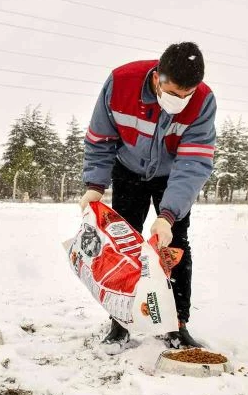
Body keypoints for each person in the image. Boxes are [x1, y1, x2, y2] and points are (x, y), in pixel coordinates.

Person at [79, 42, 216, 353]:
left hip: (171, 175)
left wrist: (167, 216)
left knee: (175, 244)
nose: (181, 100)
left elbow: (194, 160)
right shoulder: (121, 83)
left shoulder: (204, 101)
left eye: (187, 94)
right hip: (128, 169)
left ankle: (176, 325)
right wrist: (95, 186)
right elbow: (101, 139)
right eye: (173, 92)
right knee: (123, 244)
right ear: (157, 77)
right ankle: (120, 321)